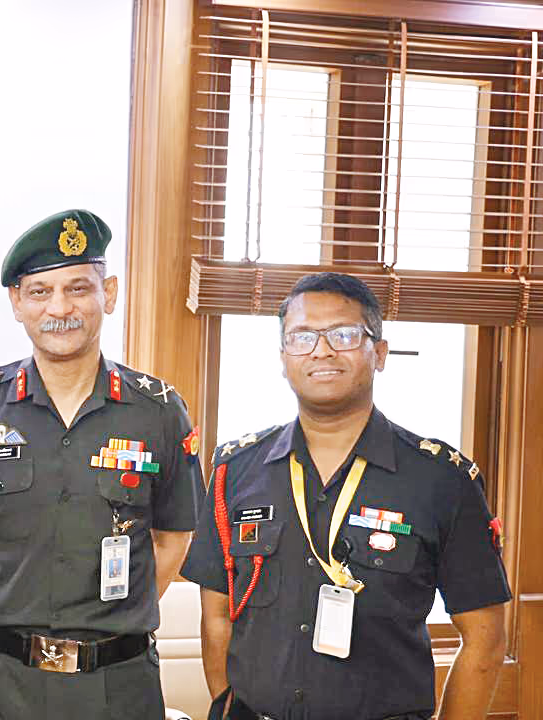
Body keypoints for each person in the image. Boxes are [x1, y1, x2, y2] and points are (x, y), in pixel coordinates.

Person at [180, 272, 510, 720]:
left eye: (344, 334)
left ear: (379, 353)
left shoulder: (442, 480)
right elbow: (217, 615)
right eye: (302, 337)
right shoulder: (235, 470)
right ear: (283, 358)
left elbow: (485, 638)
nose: (321, 350)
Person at [0, 209, 201, 719]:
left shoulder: (158, 409)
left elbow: (173, 538)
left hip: (117, 684)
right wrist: (2, 611)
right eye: (40, 291)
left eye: (78, 288)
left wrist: (115, 616)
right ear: (17, 302)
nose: (59, 308)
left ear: (109, 293)